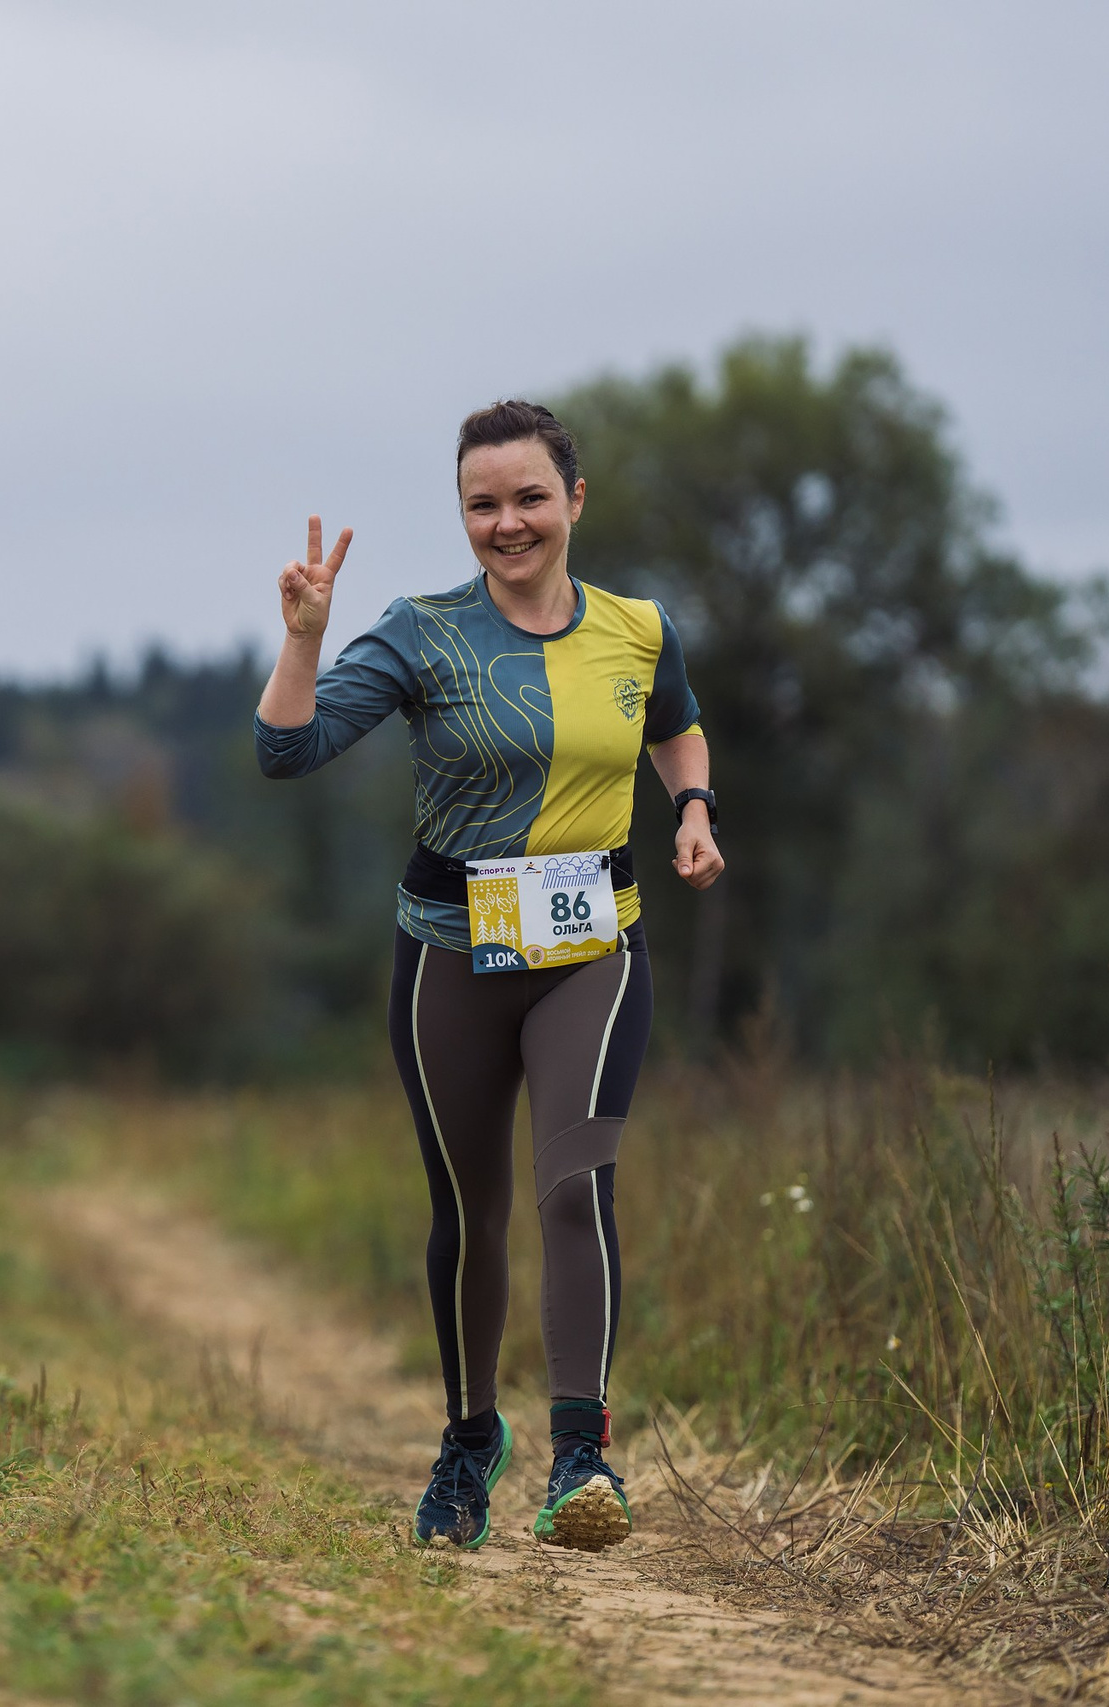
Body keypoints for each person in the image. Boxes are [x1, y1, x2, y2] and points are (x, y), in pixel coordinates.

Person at [254, 402, 724, 1552]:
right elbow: (285, 750)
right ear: (460, 514)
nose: (505, 524)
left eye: (527, 499)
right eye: (481, 504)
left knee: (576, 1183)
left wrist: (694, 807)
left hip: (593, 944)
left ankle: (580, 1456)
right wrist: (306, 636)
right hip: (450, 954)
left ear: (573, 501)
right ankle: (470, 1441)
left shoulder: (639, 628)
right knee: (471, 1210)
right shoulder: (421, 632)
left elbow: (676, 723)